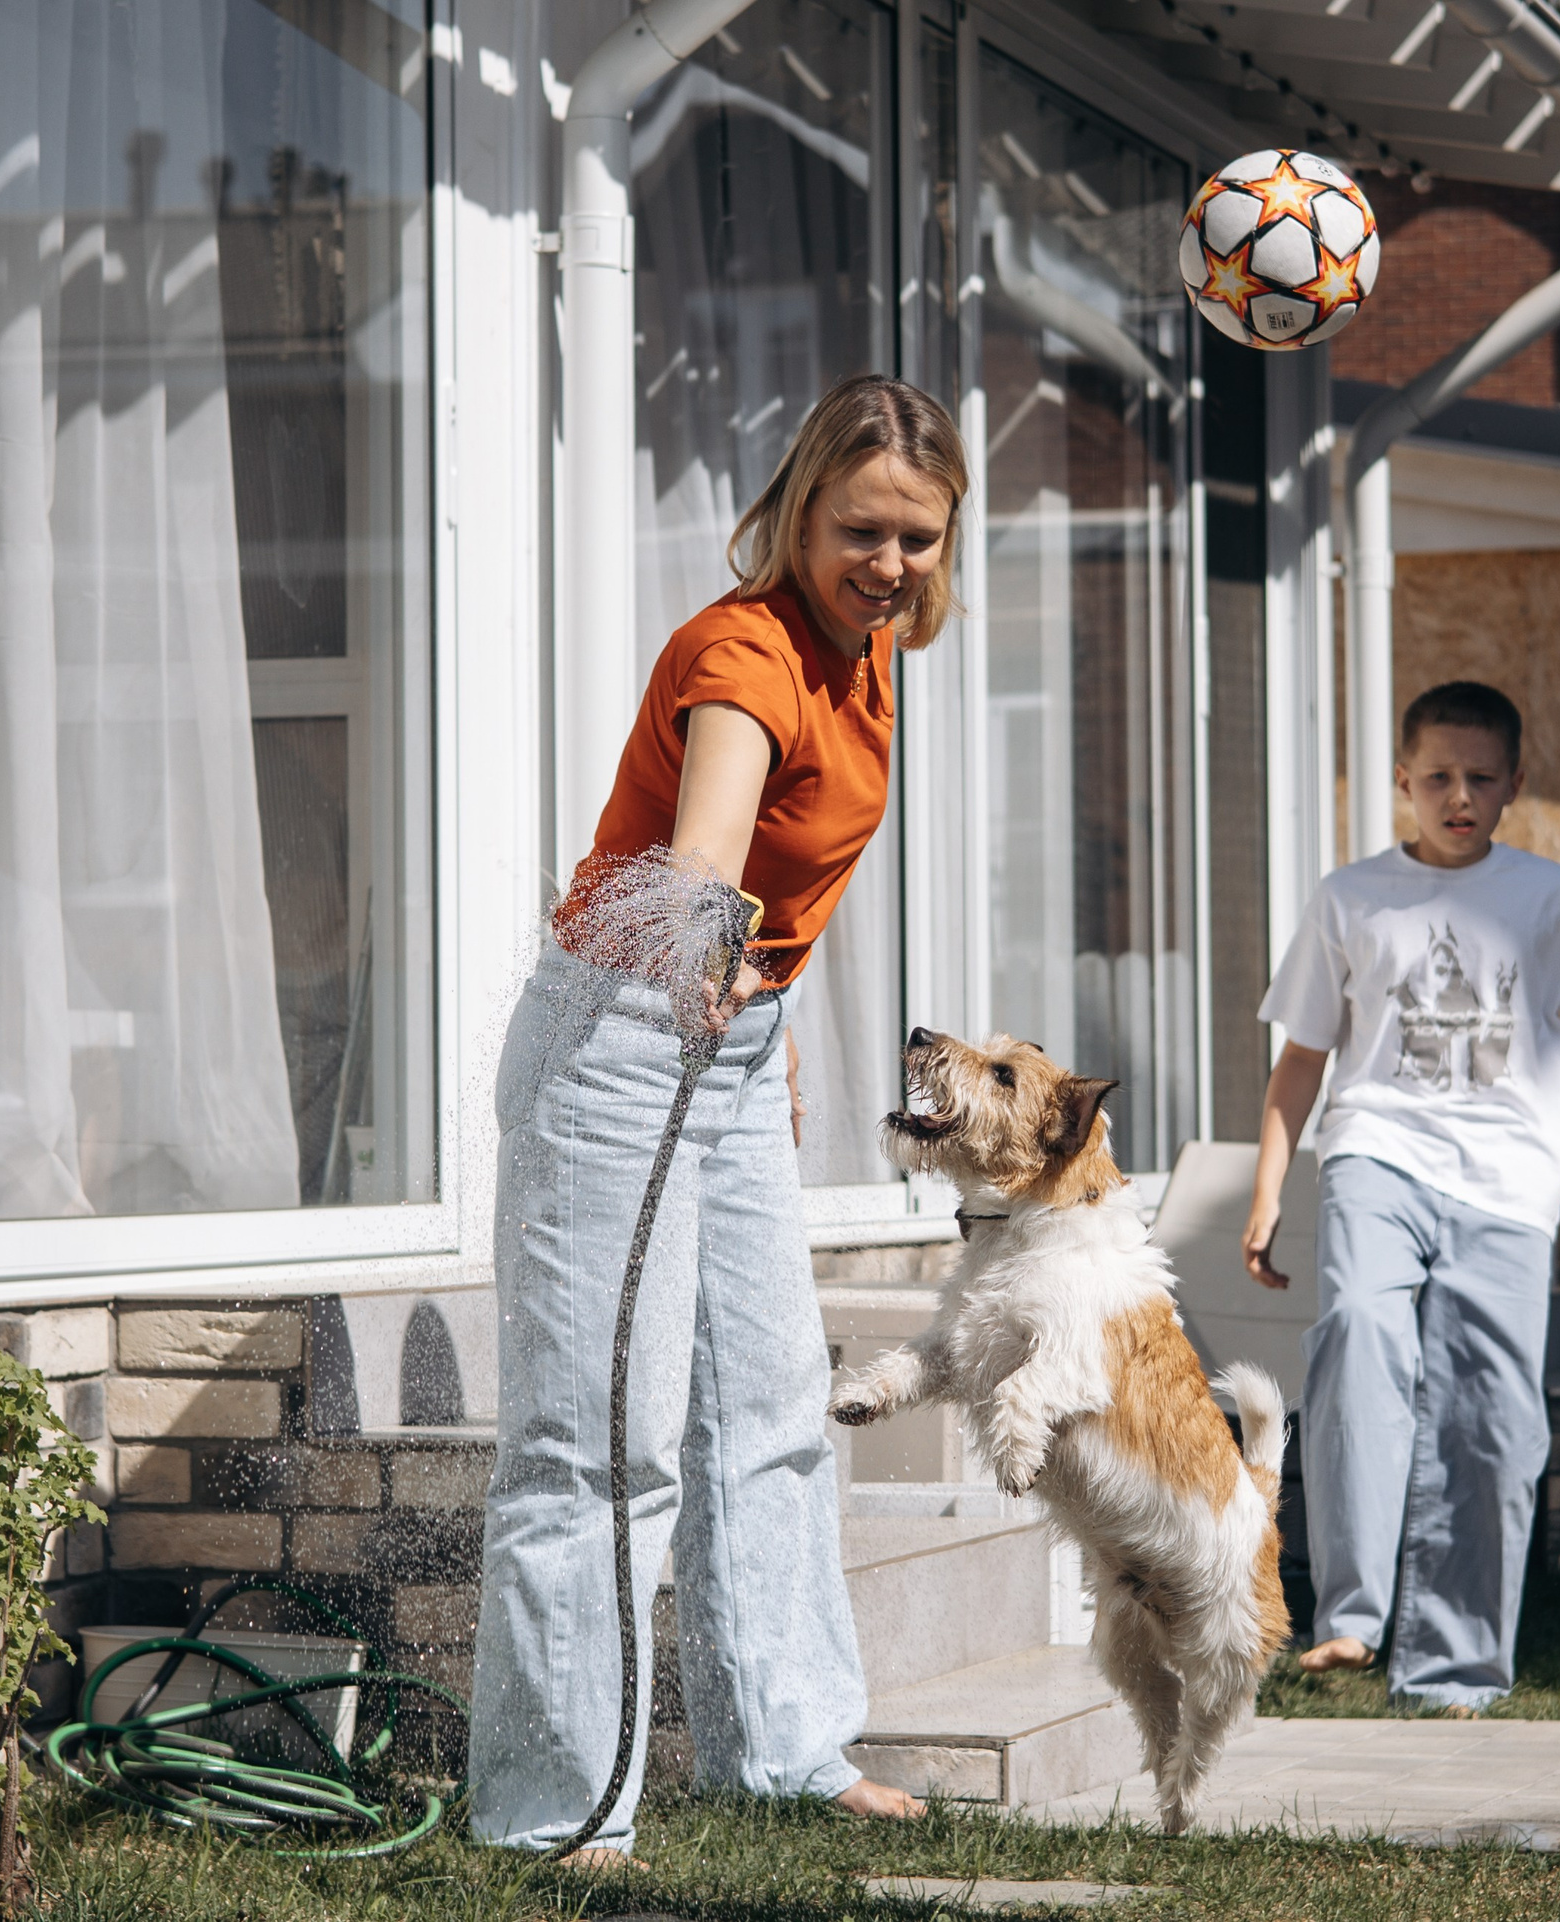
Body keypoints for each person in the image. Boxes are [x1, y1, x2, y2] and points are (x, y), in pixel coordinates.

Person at [470, 375, 967, 1860]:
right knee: (597, 1441)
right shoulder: (748, 650)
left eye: (920, 538)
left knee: (764, 1410)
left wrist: (773, 1021)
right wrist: (709, 961)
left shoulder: (863, 655)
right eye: (862, 528)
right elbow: (706, 851)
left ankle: (786, 1748)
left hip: (731, 1048)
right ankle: (560, 1812)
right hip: (628, 1037)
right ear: (800, 511)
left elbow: (779, 888)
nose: (889, 562)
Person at [1242, 680, 1560, 1711]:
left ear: (1513, 785)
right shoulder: (1351, 897)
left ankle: (1450, 1668)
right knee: (1357, 1324)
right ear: (1402, 782)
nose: (1458, 795)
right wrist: (1269, 1185)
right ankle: (1353, 1610)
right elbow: (1301, 1057)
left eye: (1480, 778)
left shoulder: (1550, 898)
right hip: (1376, 1151)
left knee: (1490, 1416)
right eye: (1437, 776)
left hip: (1509, 1180)